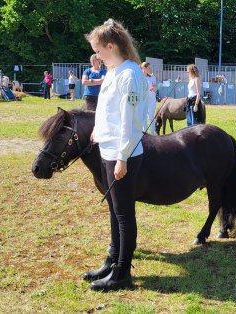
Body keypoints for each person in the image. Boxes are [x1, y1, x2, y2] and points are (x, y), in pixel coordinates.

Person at [84, 19, 148, 292]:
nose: (97, 56)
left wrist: (122, 157)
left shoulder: (130, 74)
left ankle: (122, 273)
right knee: (114, 210)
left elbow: (131, 122)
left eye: (98, 50)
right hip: (108, 149)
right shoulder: (113, 70)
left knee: (123, 214)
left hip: (124, 153)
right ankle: (112, 261)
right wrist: (98, 130)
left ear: (111, 46)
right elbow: (107, 110)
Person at [141, 62, 157, 134]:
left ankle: (152, 134)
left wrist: (153, 88)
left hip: (151, 101)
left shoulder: (152, 77)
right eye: (149, 67)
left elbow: (155, 88)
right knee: (143, 118)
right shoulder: (139, 77)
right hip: (143, 100)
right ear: (144, 68)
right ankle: (145, 134)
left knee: (151, 118)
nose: (150, 69)